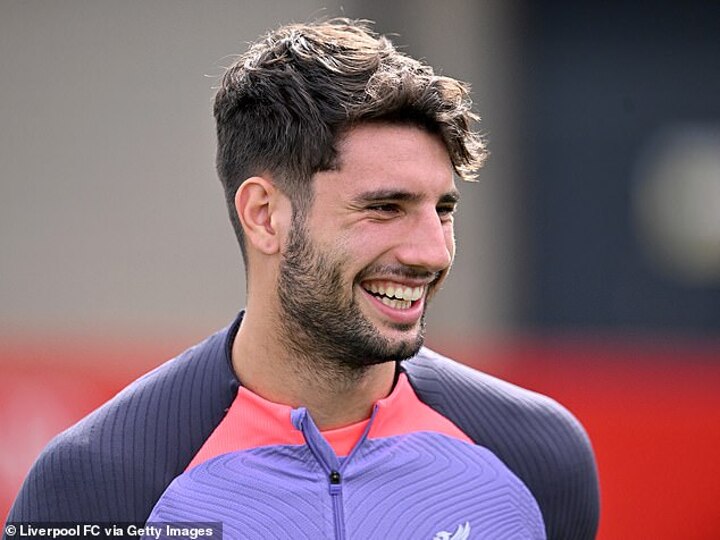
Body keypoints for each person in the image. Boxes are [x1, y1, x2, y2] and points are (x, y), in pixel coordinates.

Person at [5, 18, 599, 540]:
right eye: (385, 207)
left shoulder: (536, 458)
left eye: (442, 210)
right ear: (265, 216)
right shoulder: (98, 483)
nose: (432, 252)